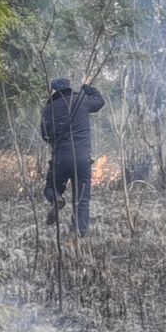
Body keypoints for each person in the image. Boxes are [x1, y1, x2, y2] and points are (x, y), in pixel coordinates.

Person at [40, 76, 105, 237]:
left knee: (51, 188)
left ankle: (56, 199)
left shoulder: (49, 109)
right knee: (82, 200)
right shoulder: (81, 100)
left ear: (53, 91)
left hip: (60, 159)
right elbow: (99, 101)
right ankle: (76, 234)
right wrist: (87, 86)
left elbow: (45, 135)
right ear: (69, 87)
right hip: (83, 159)